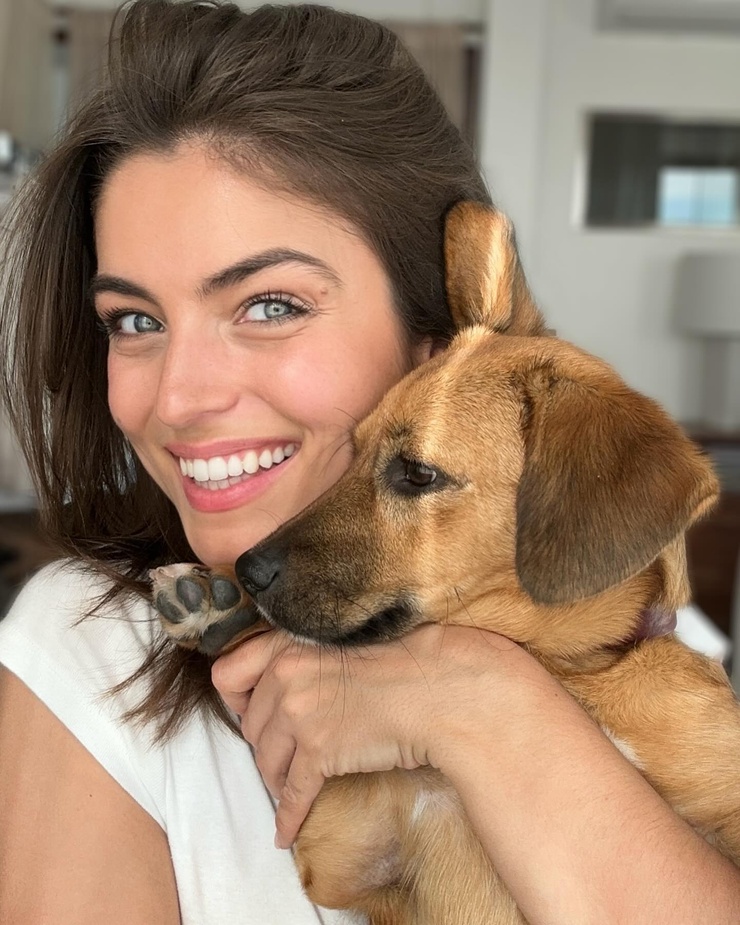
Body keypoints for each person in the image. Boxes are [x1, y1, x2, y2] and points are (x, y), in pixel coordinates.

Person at [0, 2, 738, 923]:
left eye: (270, 305)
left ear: (434, 337)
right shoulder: (93, 646)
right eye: (135, 320)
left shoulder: (643, 628)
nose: (179, 397)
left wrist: (485, 705)